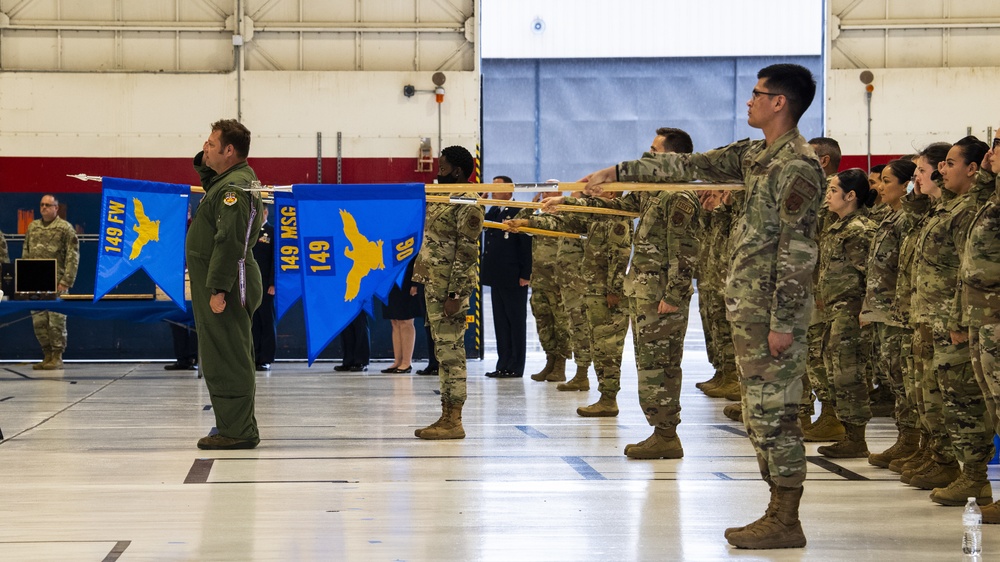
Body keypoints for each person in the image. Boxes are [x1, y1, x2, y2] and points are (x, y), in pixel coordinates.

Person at [580, 64, 822, 550]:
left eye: (757, 94)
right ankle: (777, 510)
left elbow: (799, 251)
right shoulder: (754, 155)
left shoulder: (797, 165)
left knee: (776, 413)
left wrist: (783, 323)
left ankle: (786, 516)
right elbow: (685, 166)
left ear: (780, 102)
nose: (749, 101)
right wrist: (616, 172)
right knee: (759, 413)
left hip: (772, 316)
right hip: (748, 308)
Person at [542, 127, 700, 437]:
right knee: (649, 365)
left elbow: (685, 252)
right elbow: (619, 209)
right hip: (643, 292)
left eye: (654, 151)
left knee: (662, 366)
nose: (647, 156)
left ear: (672, 159)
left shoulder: (679, 196)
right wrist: (570, 203)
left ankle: (667, 434)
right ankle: (660, 432)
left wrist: (675, 295)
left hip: (662, 297)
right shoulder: (652, 192)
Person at [910, 136, 994, 506]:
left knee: (966, 400)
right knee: (947, 396)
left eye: (948, 163)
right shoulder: (953, 208)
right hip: (948, 317)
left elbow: (965, 268)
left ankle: (974, 476)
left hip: (964, 318)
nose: (941, 170)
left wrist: (958, 317)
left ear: (971, 169)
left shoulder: (970, 210)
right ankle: (961, 470)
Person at [186, 119, 264, 450]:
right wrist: (204, 157)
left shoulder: (233, 189)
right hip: (227, 281)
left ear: (229, 150)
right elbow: (209, 179)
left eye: (210, 144)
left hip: (228, 284)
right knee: (221, 352)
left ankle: (239, 431)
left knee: (227, 355)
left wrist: (218, 288)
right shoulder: (229, 181)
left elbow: (230, 241)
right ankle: (233, 423)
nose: (204, 147)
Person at [411, 145, 483, 439]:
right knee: (444, 352)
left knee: (452, 353)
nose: (437, 170)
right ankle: (446, 414)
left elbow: (467, 252)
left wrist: (454, 294)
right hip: (435, 286)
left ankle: (454, 419)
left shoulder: (467, 201)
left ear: (457, 169)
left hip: (450, 291)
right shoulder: (442, 196)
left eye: (442, 166)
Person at [814, 168, 877, 458]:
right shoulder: (838, 226)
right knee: (838, 373)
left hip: (852, 315)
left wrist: (866, 312)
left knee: (850, 374)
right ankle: (847, 431)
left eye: (833, 190)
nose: (828, 196)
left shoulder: (859, 230)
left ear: (851, 196)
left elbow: (871, 276)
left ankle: (856, 437)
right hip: (836, 312)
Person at [863, 158, 921, 468]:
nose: (880, 187)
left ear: (906, 184)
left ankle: (914, 442)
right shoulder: (888, 216)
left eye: (887, 181)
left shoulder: (907, 220)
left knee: (906, 378)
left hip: (902, 312)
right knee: (894, 376)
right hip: (884, 310)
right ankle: (906, 439)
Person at [961, 127, 1000, 523]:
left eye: (999, 146)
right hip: (983, 314)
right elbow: (977, 201)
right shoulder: (991, 197)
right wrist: (989, 172)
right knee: (994, 404)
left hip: (997, 313)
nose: (991, 154)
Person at [481, 176, 532, 378]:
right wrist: (480, 201)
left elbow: (525, 246)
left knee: (516, 321)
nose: (493, 190)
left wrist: (525, 273)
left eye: (497, 186)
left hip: (514, 275)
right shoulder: (493, 211)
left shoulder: (519, 211)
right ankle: (503, 363)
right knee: (501, 322)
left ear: (509, 191)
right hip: (497, 275)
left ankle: (516, 366)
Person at [24, 194, 80, 370]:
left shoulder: (65, 228)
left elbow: (73, 256)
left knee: (56, 321)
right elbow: (26, 253)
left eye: (48, 205)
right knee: (39, 321)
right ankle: (47, 355)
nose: (44, 208)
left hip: (57, 282)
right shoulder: (33, 227)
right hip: (36, 282)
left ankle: (57, 356)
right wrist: (25, 280)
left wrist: (66, 282)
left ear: (56, 208)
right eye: (41, 205)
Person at [382, 260, 419, 373]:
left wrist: (415, 283)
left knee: (406, 321)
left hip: (407, 279)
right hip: (390, 279)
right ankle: (398, 360)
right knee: (394, 321)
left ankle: (407, 362)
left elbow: (418, 259)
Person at [251, 205, 276, 371]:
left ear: (265, 212)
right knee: (254, 323)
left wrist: (273, 283)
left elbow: (275, 259)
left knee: (267, 321)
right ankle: (254, 357)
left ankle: (266, 357)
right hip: (252, 284)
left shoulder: (272, 231)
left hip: (266, 284)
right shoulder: (249, 231)